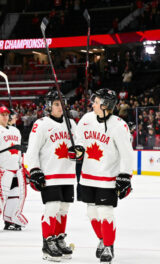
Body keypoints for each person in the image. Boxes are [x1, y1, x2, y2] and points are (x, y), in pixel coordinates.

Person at [24, 89, 83, 262]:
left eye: (62, 103)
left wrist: (79, 150)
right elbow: (32, 151)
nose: (60, 107)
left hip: (67, 174)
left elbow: (80, 144)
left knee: (64, 209)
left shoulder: (71, 123)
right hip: (50, 174)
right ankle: (47, 241)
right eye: (57, 104)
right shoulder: (41, 124)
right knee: (52, 208)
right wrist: (34, 170)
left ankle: (58, 238)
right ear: (49, 106)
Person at [76, 88, 134, 264]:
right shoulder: (86, 119)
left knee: (105, 212)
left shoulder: (119, 125)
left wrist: (125, 176)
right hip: (87, 175)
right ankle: (102, 239)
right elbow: (78, 140)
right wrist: (77, 150)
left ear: (106, 104)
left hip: (108, 177)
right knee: (92, 212)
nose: (92, 103)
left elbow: (127, 154)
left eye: (96, 101)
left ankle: (108, 246)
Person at [0, 106, 27, 232]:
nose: (5, 116)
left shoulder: (15, 131)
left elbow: (18, 152)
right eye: (3, 114)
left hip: (16, 169)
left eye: (7, 114)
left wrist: (21, 166)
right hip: (3, 169)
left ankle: (9, 220)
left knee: (15, 196)